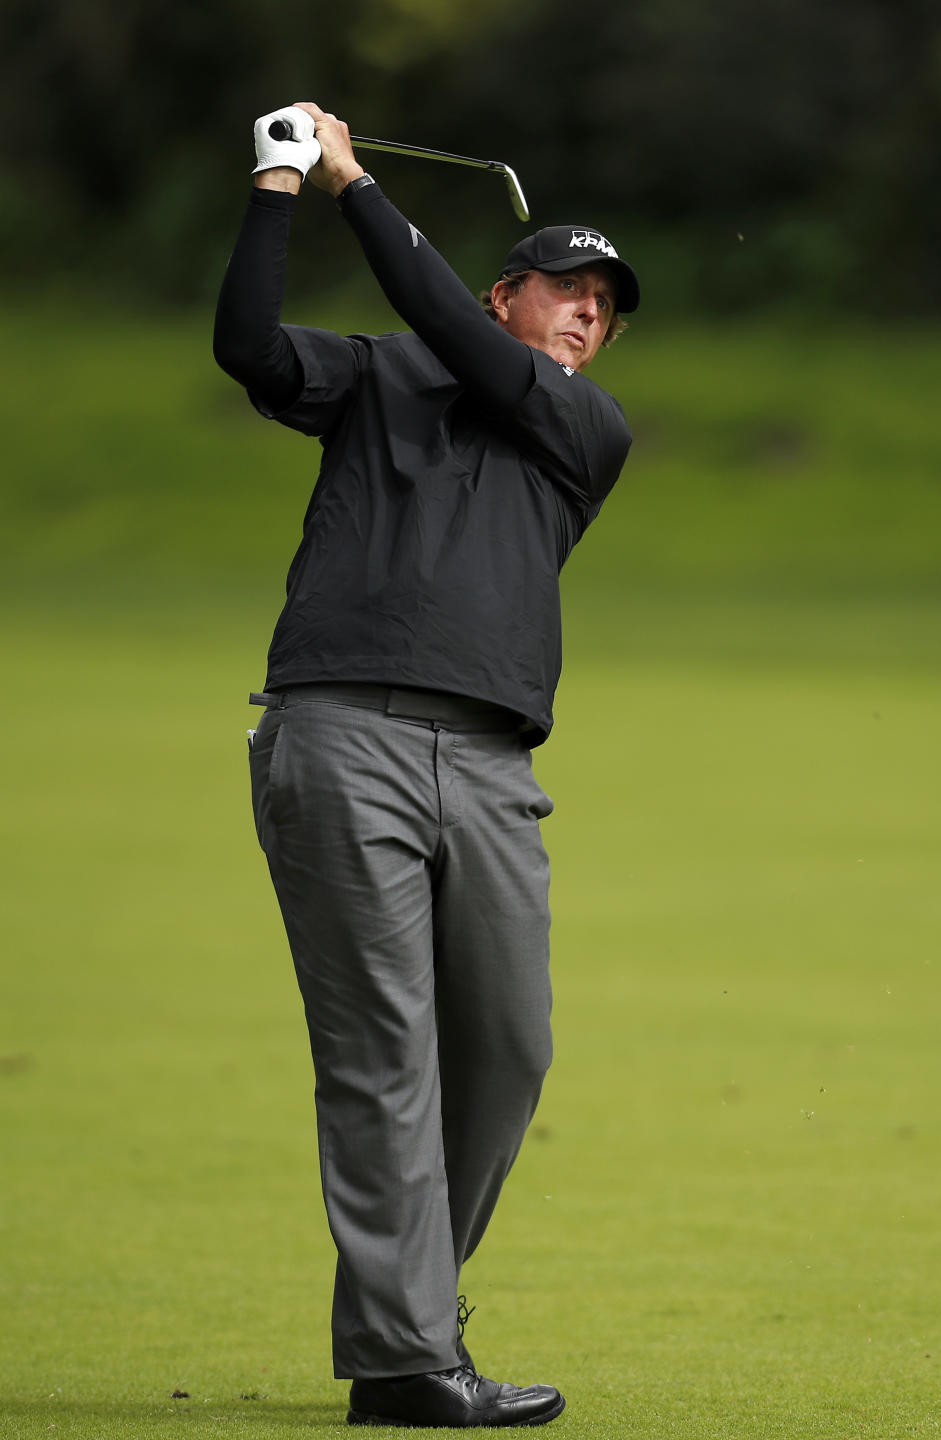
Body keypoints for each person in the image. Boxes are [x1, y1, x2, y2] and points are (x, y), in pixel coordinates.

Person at [213, 101, 638, 1429]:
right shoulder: (379, 375)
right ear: (509, 291)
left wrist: (355, 184)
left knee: (507, 1050)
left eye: (604, 309)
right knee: (384, 1054)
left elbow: (450, 328)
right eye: (564, 293)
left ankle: (404, 1325)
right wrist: (282, 186)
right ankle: (409, 1359)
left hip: (494, 771)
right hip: (339, 741)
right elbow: (244, 347)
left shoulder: (584, 429)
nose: (585, 319)